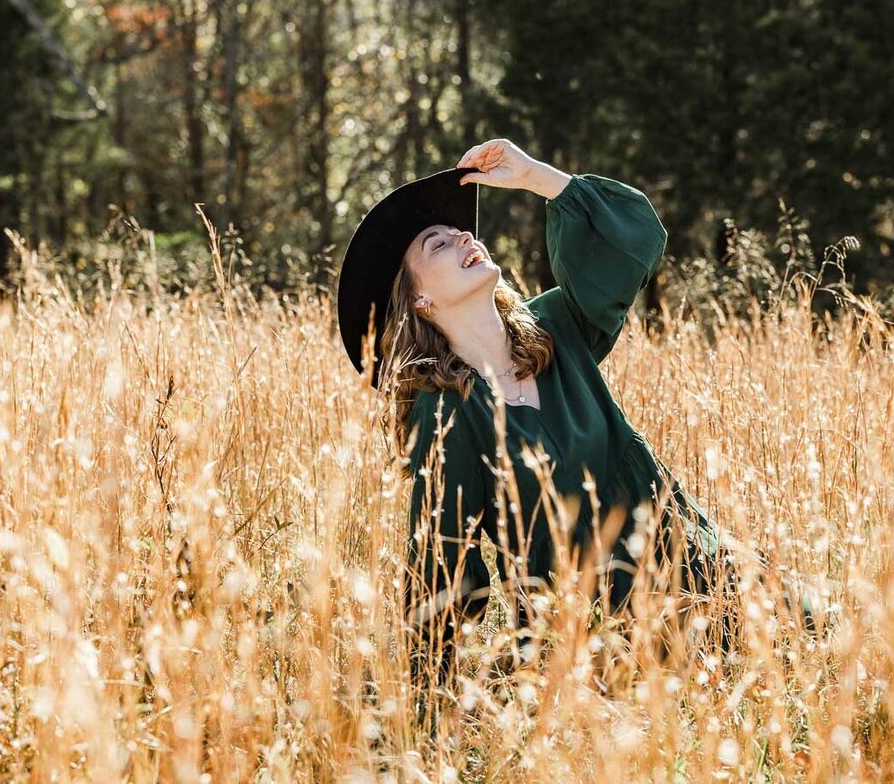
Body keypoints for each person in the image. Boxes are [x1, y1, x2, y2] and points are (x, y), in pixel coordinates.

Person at [334, 139, 817, 724]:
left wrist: (537, 177)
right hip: (599, 639)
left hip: (708, 575)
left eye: (462, 231)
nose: (465, 237)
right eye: (438, 242)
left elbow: (635, 240)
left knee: (821, 653)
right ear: (421, 301)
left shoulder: (556, 329)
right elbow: (442, 565)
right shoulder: (446, 415)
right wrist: (429, 717)